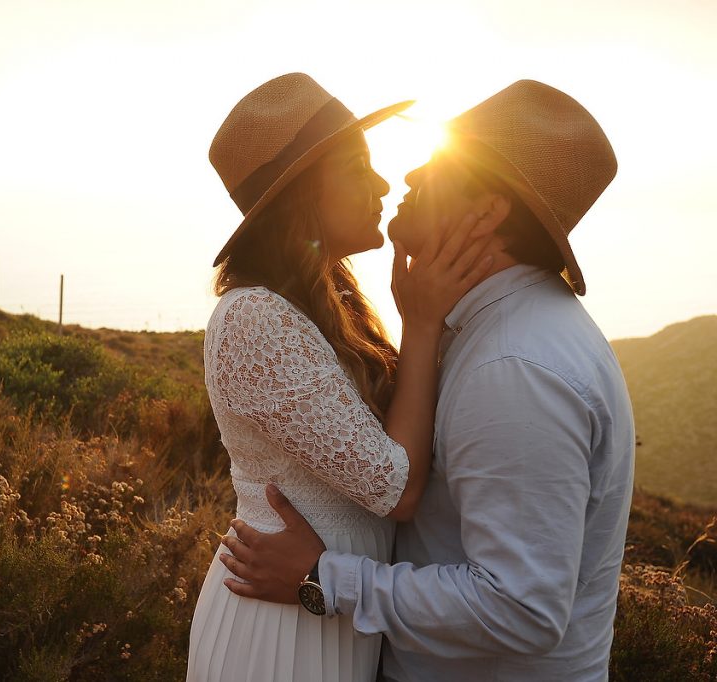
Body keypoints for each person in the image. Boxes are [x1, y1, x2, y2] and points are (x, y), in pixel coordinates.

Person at [219, 80, 634, 682]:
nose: (405, 176)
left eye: (437, 165)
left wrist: (324, 579)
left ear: (489, 211)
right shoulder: (488, 333)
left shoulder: (513, 368)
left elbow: (521, 609)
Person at [186, 73, 496, 682]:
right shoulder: (255, 319)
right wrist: (424, 323)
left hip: (327, 608)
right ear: (305, 193)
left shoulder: (330, 307)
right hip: (277, 631)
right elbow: (398, 489)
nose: (382, 183)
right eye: (358, 168)